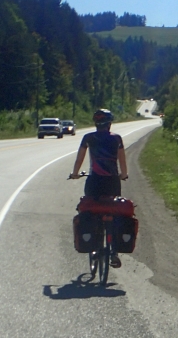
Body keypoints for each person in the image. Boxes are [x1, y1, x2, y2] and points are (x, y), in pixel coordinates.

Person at [69, 109, 128, 268]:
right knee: (114, 212)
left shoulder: (88, 138)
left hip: (94, 181)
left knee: (92, 212)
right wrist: (124, 174)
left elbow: (79, 159)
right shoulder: (116, 139)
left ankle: (94, 247)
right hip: (113, 182)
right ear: (109, 124)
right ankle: (114, 252)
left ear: (96, 123)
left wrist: (75, 174)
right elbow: (122, 161)